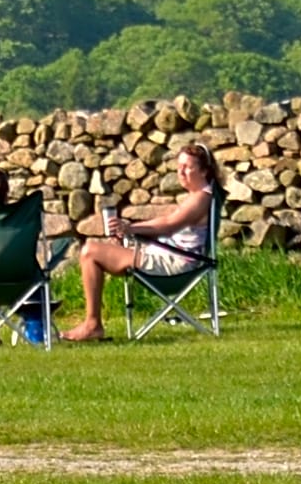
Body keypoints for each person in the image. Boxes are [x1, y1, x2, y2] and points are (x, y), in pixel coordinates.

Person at [63, 142, 216, 342]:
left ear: (204, 171)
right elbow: (167, 226)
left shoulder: (201, 199)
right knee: (102, 250)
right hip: (170, 256)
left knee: (90, 251)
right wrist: (130, 232)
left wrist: (130, 228)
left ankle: (93, 324)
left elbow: (169, 225)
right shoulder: (199, 196)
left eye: (188, 167)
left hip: (177, 265)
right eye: (179, 167)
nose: (181, 172)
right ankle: (93, 323)